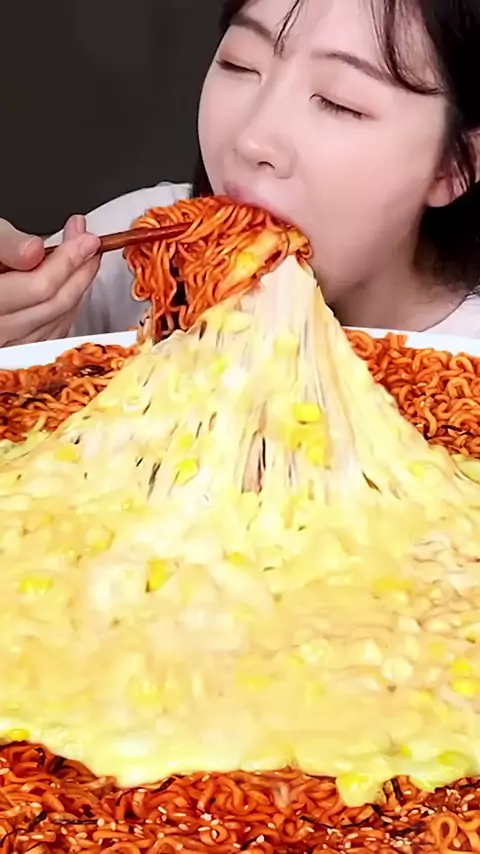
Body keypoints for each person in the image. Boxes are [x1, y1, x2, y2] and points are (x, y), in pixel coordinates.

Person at [1, 0, 479, 347]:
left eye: (339, 103)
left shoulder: (464, 358)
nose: (251, 139)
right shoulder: (122, 264)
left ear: (454, 167)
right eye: (240, 64)